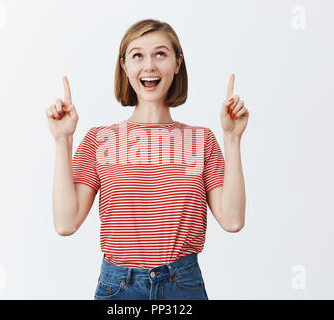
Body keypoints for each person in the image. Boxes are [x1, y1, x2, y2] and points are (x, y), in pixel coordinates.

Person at [45, 19, 249, 300]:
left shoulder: (201, 140)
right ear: (124, 66)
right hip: (119, 288)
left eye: (160, 54)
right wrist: (62, 140)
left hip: (183, 286)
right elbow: (65, 223)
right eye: (137, 55)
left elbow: (233, 219)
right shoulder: (100, 139)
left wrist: (233, 138)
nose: (149, 65)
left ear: (177, 64)